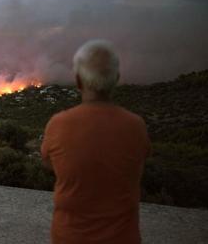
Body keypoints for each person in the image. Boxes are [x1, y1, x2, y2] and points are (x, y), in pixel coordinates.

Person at [40, 40, 151, 244]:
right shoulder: (136, 126)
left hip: (70, 237)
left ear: (78, 81)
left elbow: (49, 163)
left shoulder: (58, 124)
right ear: (116, 79)